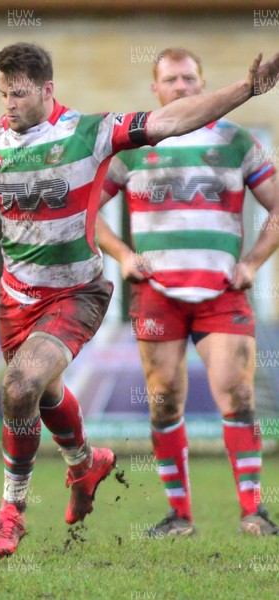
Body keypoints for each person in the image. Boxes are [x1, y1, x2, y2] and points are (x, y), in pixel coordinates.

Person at [0, 42, 279, 556]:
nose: (9, 103)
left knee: (20, 384)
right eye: (4, 93)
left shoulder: (89, 132)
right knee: (41, 393)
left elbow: (171, 121)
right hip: (17, 299)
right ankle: (84, 463)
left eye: (20, 93)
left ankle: (12, 513)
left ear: (47, 89)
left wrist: (247, 89)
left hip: (77, 293)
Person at [95, 47, 279, 537]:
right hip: (157, 292)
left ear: (203, 84)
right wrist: (122, 256)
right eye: (171, 80)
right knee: (164, 400)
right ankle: (180, 516)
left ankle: (254, 512)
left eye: (189, 79)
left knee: (238, 394)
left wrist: (253, 263)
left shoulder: (239, 141)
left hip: (222, 290)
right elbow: (85, 210)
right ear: (155, 89)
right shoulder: (131, 148)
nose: (181, 87)